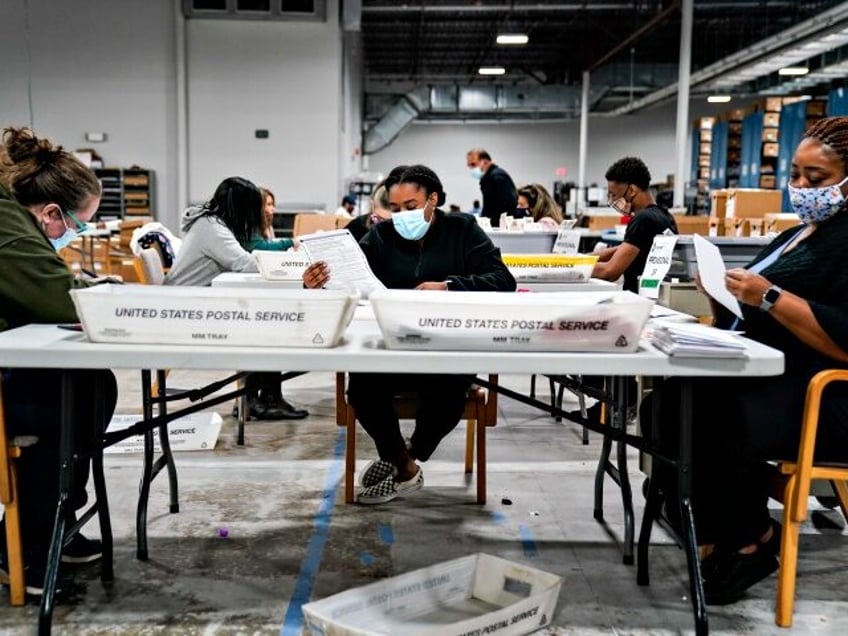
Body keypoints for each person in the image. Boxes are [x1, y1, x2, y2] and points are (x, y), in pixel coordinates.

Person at [646, 116, 848, 605]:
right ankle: (712, 528)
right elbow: (757, 308)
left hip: (822, 394)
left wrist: (771, 296)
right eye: (795, 175)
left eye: (814, 180)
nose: (800, 187)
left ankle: (749, 539)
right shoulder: (801, 233)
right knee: (668, 400)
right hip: (770, 372)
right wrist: (723, 298)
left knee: (711, 413)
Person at [303, 165, 516, 504]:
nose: (402, 216)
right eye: (396, 208)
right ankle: (403, 466)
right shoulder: (381, 236)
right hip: (392, 345)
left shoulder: (462, 230)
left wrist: (448, 287)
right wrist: (317, 282)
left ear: (434, 200)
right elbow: (348, 280)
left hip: (446, 346)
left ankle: (406, 456)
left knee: (451, 386)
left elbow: (503, 280)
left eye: (412, 206)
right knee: (361, 387)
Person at [0, 126, 117, 593]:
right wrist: (106, 297)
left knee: (86, 383)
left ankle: (57, 519)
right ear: (50, 213)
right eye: (78, 224)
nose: (78, 234)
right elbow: (58, 298)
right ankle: (23, 551)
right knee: (63, 398)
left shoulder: (14, 216)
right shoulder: (7, 227)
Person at [165, 177, 307, 420]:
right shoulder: (212, 228)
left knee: (265, 320)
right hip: (186, 311)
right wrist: (291, 266)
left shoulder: (212, 223)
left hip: (193, 302)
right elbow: (245, 262)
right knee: (265, 324)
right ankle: (257, 400)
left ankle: (264, 398)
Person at [591, 156, 678, 293]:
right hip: (654, 299)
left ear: (631, 190)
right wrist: (583, 259)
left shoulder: (642, 219)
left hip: (638, 299)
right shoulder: (665, 216)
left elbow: (610, 272)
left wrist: (571, 268)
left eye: (614, 195)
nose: (612, 201)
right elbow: (627, 249)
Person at [344, 166, 407, 243]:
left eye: (390, 221)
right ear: (373, 205)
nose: (383, 224)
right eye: (379, 218)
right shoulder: (359, 225)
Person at [466, 148, 517, 228]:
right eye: (469, 166)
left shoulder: (497, 177)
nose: (471, 169)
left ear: (485, 161)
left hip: (500, 227)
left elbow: (508, 204)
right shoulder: (488, 178)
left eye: (473, 164)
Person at [245, 187, 298, 252]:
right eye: (269, 204)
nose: (273, 208)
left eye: (272, 204)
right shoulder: (249, 226)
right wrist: (289, 242)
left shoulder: (267, 225)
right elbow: (261, 247)